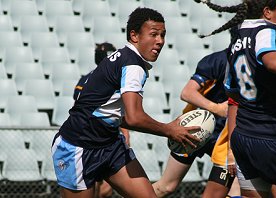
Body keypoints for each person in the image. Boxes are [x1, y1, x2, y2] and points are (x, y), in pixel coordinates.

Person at [51, 7, 201, 198]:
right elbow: (135, 117)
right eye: (153, 34)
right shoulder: (132, 65)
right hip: (78, 147)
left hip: (110, 144)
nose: (160, 41)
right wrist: (169, 130)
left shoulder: (127, 59)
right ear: (134, 36)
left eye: (163, 35)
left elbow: (119, 117)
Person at [196, 0, 276, 197]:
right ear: (267, 12)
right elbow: (272, 61)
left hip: (244, 139)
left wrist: (233, 145)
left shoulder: (238, 38)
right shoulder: (266, 31)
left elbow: (233, 94)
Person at [152, 46, 240, 197]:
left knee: (234, 191)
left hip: (225, 139)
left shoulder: (257, 63)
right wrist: (217, 108)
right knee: (166, 187)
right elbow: (187, 93)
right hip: (196, 129)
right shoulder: (218, 60)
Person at [73, 42, 129, 198]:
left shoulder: (117, 80)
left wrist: (125, 134)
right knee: (91, 185)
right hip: (88, 138)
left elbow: (121, 111)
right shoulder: (87, 80)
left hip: (108, 139)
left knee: (104, 189)